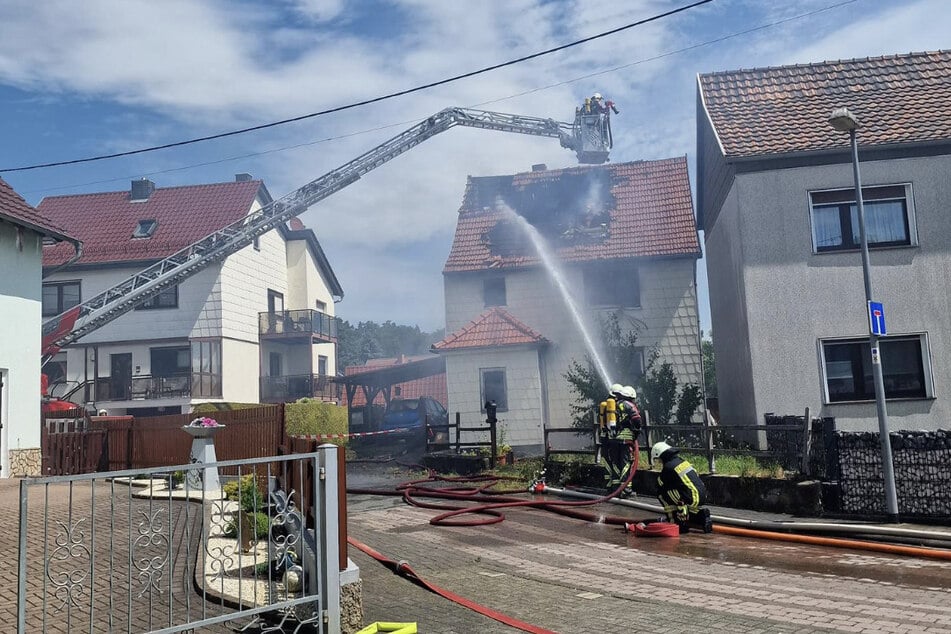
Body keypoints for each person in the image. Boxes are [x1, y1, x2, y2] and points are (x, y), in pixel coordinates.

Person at [650, 441, 713, 533]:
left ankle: (676, 520)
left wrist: (673, 518)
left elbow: (660, 485)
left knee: (661, 494)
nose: (659, 462)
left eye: (659, 459)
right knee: (677, 494)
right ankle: (700, 516)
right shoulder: (682, 462)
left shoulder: (668, 467)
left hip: (691, 496)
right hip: (702, 494)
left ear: (662, 455)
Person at [600, 384, 641, 497]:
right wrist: (636, 432)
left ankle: (615, 488)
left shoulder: (612, 406)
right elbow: (637, 420)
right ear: (631, 396)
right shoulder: (629, 405)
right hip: (625, 440)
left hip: (613, 440)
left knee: (615, 463)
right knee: (626, 463)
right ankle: (625, 489)